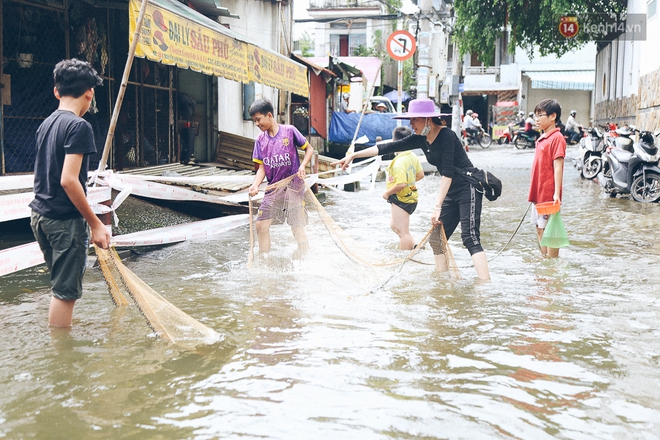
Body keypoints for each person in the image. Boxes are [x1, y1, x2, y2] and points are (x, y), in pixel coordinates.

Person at [333, 98, 490, 280]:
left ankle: (484, 286)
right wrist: (354, 155)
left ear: (428, 119)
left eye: (414, 119)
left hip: (468, 186)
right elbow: (387, 147)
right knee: (436, 238)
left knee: (469, 237)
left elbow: (447, 173)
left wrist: (437, 206)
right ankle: (443, 280)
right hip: (451, 191)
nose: (411, 124)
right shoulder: (422, 139)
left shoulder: (447, 136)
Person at [29, 58, 111, 327]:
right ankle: (62, 358)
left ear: (56, 91)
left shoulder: (46, 124)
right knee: (65, 293)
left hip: (40, 217)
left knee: (59, 286)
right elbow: (68, 180)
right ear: (90, 92)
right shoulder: (79, 126)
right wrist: (96, 224)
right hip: (64, 222)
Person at [248, 98, 315, 257]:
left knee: (296, 226)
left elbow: (309, 149)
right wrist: (255, 185)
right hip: (274, 188)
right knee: (261, 226)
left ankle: (304, 257)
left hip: (294, 187)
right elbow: (262, 167)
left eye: (258, 119)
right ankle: (265, 260)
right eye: (254, 121)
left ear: (269, 115)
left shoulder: (289, 131)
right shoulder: (260, 140)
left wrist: (302, 165)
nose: (257, 123)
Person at [528, 99, 566, 258]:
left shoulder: (557, 138)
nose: (536, 119)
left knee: (550, 230)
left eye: (540, 115)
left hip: (548, 194)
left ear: (553, 116)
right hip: (538, 193)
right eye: (535, 115)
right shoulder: (542, 138)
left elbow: (558, 167)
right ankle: (544, 262)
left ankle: (552, 264)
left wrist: (556, 194)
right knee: (539, 228)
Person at [382, 126, 425, 250]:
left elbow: (401, 184)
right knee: (394, 226)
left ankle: (405, 259)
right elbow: (420, 175)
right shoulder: (412, 156)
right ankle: (415, 245)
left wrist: (387, 192)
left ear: (395, 142)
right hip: (411, 197)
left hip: (401, 199)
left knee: (403, 233)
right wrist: (409, 180)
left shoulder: (399, 163)